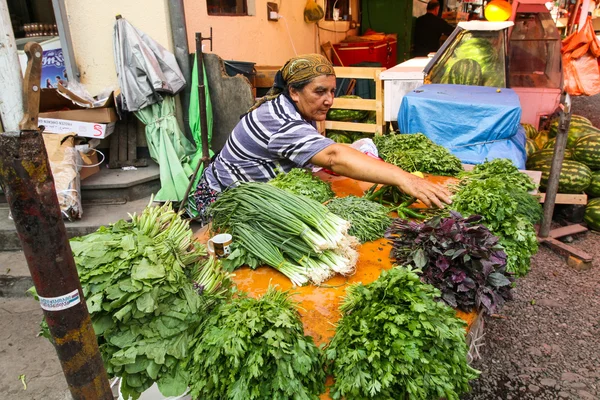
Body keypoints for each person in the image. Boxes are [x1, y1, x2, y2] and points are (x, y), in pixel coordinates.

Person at [193, 54, 451, 223]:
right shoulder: (278, 119)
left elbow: (322, 151)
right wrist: (403, 178)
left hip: (263, 191)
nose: (329, 99)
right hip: (225, 200)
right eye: (319, 91)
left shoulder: (296, 108)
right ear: (293, 91)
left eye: (331, 91)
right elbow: (333, 156)